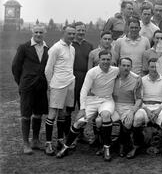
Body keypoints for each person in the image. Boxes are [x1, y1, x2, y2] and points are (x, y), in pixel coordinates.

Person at [56, 50, 120, 161]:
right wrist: (82, 109)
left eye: (108, 59)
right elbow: (84, 90)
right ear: (99, 60)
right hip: (92, 100)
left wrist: (138, 78)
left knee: (105, 116)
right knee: (79, 122)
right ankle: (65, 147)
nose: (106, 61)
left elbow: (127, 71)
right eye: (103, 59)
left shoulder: (115, 70)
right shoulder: (92, 72)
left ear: (111, 60)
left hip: (107, 100)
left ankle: (106, 148)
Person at [12, 24, 49, 154]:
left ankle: (35, 140)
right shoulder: (24, 47)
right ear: (32, 33)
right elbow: (16, 66)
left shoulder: (47, 48)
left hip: (41, 86)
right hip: (27, 86)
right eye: (36, 32)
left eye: (41, 32)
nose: (38, 34)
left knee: (38, 113)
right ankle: (26, 143)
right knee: (26, 114)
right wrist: (22, 82)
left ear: (44, 33)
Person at [44, 25, 76, 156]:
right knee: (52, 114)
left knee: (63, 114)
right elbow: (48, 69)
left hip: (69, 84)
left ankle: (60, 140)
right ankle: (48, 143)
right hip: (57, 85)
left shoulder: (72, 48)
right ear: (64, 33)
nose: (72, 36)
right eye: (69, 34)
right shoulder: (55, 48)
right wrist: (51, 86)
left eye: (73, 34)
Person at [135, 58, 162, 158]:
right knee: (137, 119)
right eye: (152, 67)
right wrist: (147, 110)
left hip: (159, 107)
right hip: (145, 107)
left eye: (156, 67)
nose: (154, 69)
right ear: (148, 67)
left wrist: (158, 110)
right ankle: (137, 145)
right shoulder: (142, 80)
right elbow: (139, 98)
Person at [67, 22, 94, 144]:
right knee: (69, 108)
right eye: (79, 30)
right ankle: (67, 134)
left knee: (84, 107)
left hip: (85, 79)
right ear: (74, 31)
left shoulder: (89, 45)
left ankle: (81, 134)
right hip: (72, 79)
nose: (81, 32)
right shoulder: (69, 45)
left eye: (83, 30)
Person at [111, 57, 143, 159]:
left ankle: (122, 145)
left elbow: (139, 99)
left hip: (128, 106)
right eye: (123, 65)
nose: (126, 68)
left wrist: (132, 111)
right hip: (113, 105)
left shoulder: (136, 80)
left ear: (131, 67)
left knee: (128, 122)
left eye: (128, 66)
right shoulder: (112, 76)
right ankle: (105, 145)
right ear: (119, 66)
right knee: (100, 120)